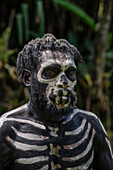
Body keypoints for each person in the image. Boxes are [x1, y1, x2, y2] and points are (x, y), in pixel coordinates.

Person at [0, 33, 113, 170]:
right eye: (51, 72)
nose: (64, 82)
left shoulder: (89, 126)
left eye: (70, 73)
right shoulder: (8, 129)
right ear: (28, 78)